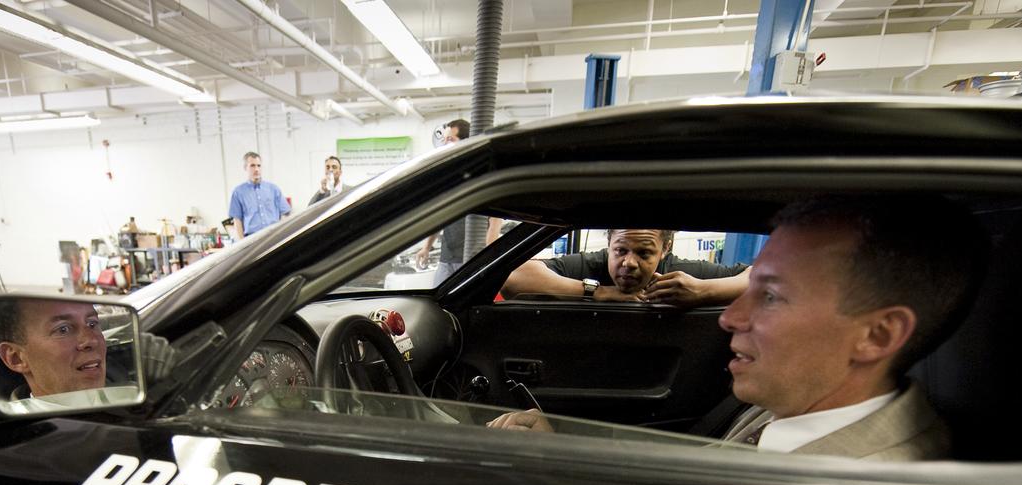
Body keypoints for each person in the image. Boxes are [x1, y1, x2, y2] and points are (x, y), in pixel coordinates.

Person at [490, 195, 984, 461]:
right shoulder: (798, 408)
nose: (730, 318)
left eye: (770, 295)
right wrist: (564, 441)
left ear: (877, 335)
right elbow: (703, 464)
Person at [501, 228, 749, 307]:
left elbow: (762, 278)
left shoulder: (678, 273)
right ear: (609, 244)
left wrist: (702, 291)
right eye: (620, 250)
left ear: (665, 249)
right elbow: (514, 277)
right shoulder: (591, 265)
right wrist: (599, 292)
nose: (629, 263)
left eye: (644, 253)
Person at [0, 299, 145, 412]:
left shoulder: (134, 397)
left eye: (92, 324)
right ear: (16, 358)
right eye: (63, 329)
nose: (91, 340)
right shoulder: (16, 438)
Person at [415, 119, 471, 283]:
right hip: (447, 256)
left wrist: (491, 245)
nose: (445, 144)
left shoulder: (475, 173)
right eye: (444, 139)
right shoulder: (449, 176)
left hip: (470, 257)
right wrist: (427, 247)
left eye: (450, 139)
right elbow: (440, 216)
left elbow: (494, 216)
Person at [228, 151, 289, 240]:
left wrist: (281, 235)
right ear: (245, 167)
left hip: (274, 237)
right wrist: (242, 243)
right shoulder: (238, 192)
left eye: (258, 165)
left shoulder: (273, 189)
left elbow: (285, 214)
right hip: (252, 239)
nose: (256, 169)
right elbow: (237, 220)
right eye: (252, 166)